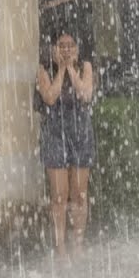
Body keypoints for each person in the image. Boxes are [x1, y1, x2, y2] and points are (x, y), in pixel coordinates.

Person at [35, 29, 96, 262]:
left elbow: (85, 94)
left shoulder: (85, 67)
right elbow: (50, 97)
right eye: (61, 45)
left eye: (71, 45)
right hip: (54, 134)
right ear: (53, 49)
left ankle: (78, 243)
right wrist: (61, 70)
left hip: (80, 134)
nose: (66, 49)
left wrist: (71, 69)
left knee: (79, 194)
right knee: (59, 195)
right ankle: (60, 247)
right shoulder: (44, 70)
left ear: (77, 49)